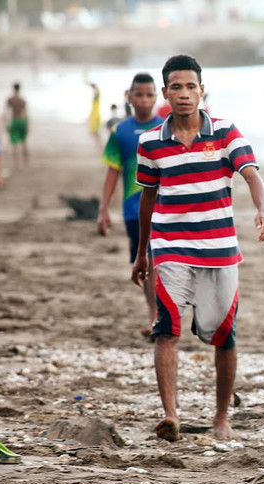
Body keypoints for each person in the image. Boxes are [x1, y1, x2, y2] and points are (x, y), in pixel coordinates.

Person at [132, 54, 264, 442]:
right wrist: (143, 253)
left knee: (224, 335)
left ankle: (222, 418)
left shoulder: (225, 132)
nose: (183, 94)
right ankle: (170, 416)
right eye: (175, 87)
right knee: (166, 329)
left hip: (220, 250)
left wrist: (262, 209)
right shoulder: (150, 143)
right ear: (165, 93)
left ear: (201, 90)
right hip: (171, 246)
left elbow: (251, 174)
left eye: (190, 86)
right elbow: (148, 200)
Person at [98, 72, 164, 338]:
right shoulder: (121, 131)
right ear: (129, 97)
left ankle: (160, 315)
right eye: (139, 94)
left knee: (161, 261)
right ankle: (153, 315)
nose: (144, 99)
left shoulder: (166, 128)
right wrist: (103, 209)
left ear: (156, 97)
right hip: (133, 209)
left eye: (149, 95)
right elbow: (113, 171)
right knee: (145, 263)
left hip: (164, 207)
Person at [5, 82, 29, 168]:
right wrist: (27, 125)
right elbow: (26, 114)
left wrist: (7, 124)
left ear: (13, 89)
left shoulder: (10, 100)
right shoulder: (22, 100)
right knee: (23, 142)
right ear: (19, 89)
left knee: (14, 143)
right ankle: (25, 163)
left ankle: (17, 164)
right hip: (21, 121)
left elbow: (6, 113)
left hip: (14, 121)